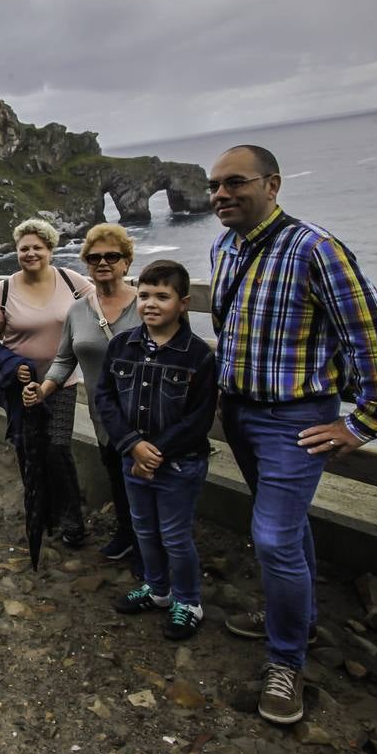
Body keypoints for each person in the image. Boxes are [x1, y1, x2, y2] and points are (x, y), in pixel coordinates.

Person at [207, 144, 377, 725]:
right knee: (286, 532)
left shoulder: (314, 250)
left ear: (272, 185)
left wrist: (363, 422)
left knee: (270, 537)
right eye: (214, 186)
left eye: (234, 183)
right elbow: (234, 327)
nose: (220, 195)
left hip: (295, 420)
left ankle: (286, 661)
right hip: (241, 413)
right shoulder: (225, 246)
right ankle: (303, 620)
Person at [90, 260, 217, 641]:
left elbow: (199, 416)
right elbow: (105, 398)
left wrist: (154, 452)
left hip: (179, 465)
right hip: (133, 459)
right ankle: (158, 589)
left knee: (176, 535)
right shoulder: (121, 345)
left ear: (184, 303)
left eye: (163, 296)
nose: (151, 303)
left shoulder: (197, 355)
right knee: (144, 529)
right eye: (144, 295)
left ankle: (188, 600)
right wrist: (132, 446)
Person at [31, 223, 143, 567]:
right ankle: (128, 534)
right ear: (86, 265)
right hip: (104, 416)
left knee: (147, 481)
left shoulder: (145, 304)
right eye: (94, 258)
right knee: (117, 476)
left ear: (126, 262)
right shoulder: (79, 310)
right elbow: (65, 358)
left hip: (145, 414)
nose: (103, 262)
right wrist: (44, 389)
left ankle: (151, 550)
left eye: (112, 256)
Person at [0, 218, 93, 550]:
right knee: (27, 448)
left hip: (62, 381)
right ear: (17, 251)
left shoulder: (71, 280)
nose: (31, 253)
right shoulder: (5, 288)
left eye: (37, 247)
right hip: (21, 387)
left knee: (57, 448)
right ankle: (42, 512)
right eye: (24, 248)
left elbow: (105, 303)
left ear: (50, 250)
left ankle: (72, 518)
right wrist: (10, 363)